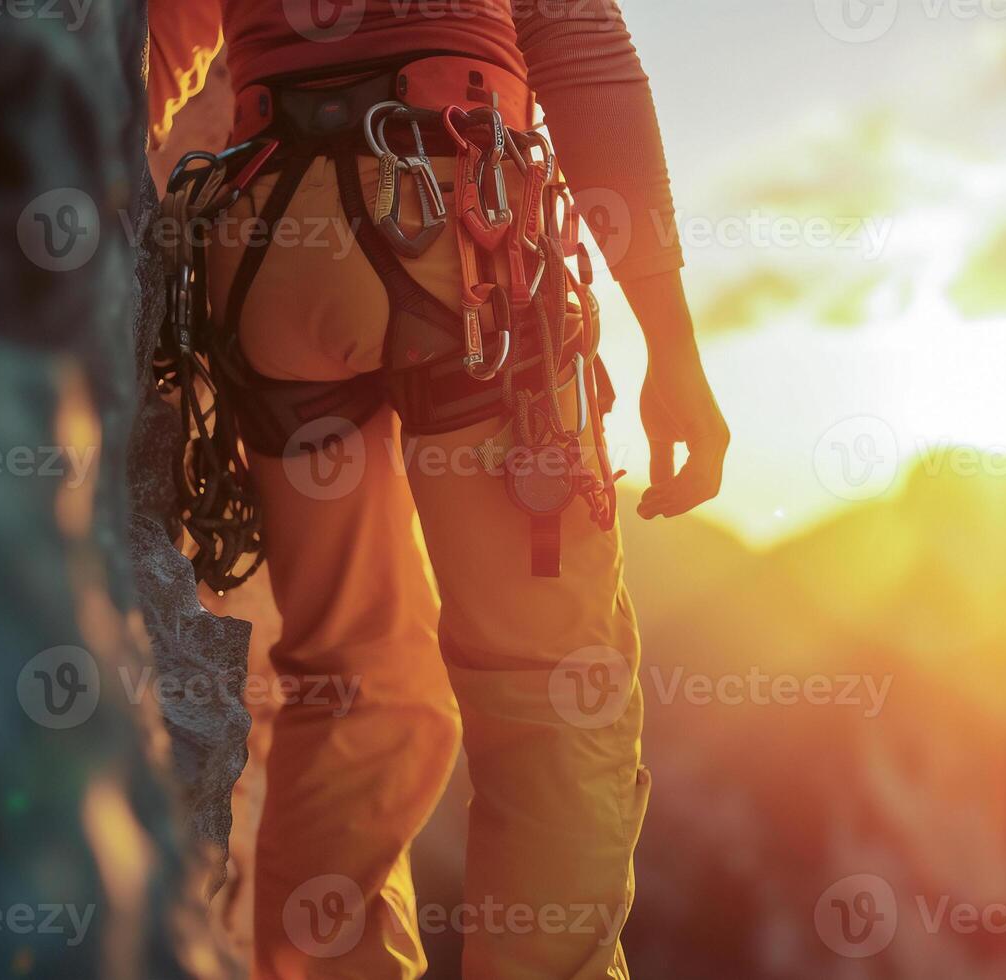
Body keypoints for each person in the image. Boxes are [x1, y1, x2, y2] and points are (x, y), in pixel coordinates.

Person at [147, 2, 729, 978]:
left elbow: (141, 54)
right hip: (466, 233)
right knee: (548, 688)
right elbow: (579, 46)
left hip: (271, 246)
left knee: (348, 682)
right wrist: (669, 339)